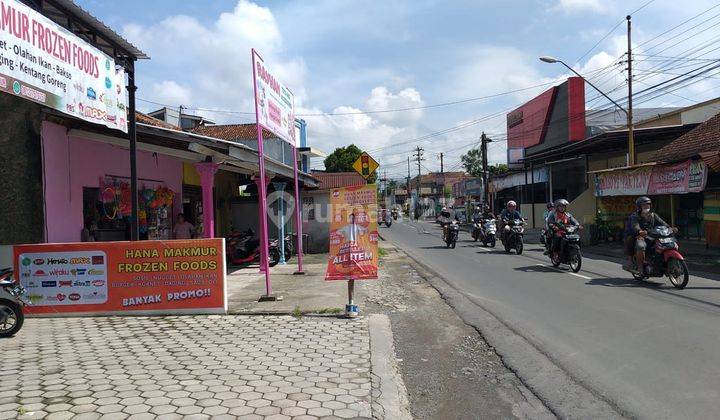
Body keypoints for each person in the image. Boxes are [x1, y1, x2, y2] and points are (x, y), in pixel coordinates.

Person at [623, 196, 674, 275]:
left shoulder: (653, 215)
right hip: (639, 236)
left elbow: (662, 223)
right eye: (644, 205)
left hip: (652, 235)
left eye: (648, 205)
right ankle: (640, 268)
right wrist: (640, 231)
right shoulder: (635, 216)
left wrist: (670, 228)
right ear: (639, 206)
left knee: (664, 244)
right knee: (641, 246)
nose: (647, 206)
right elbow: (635, 226)